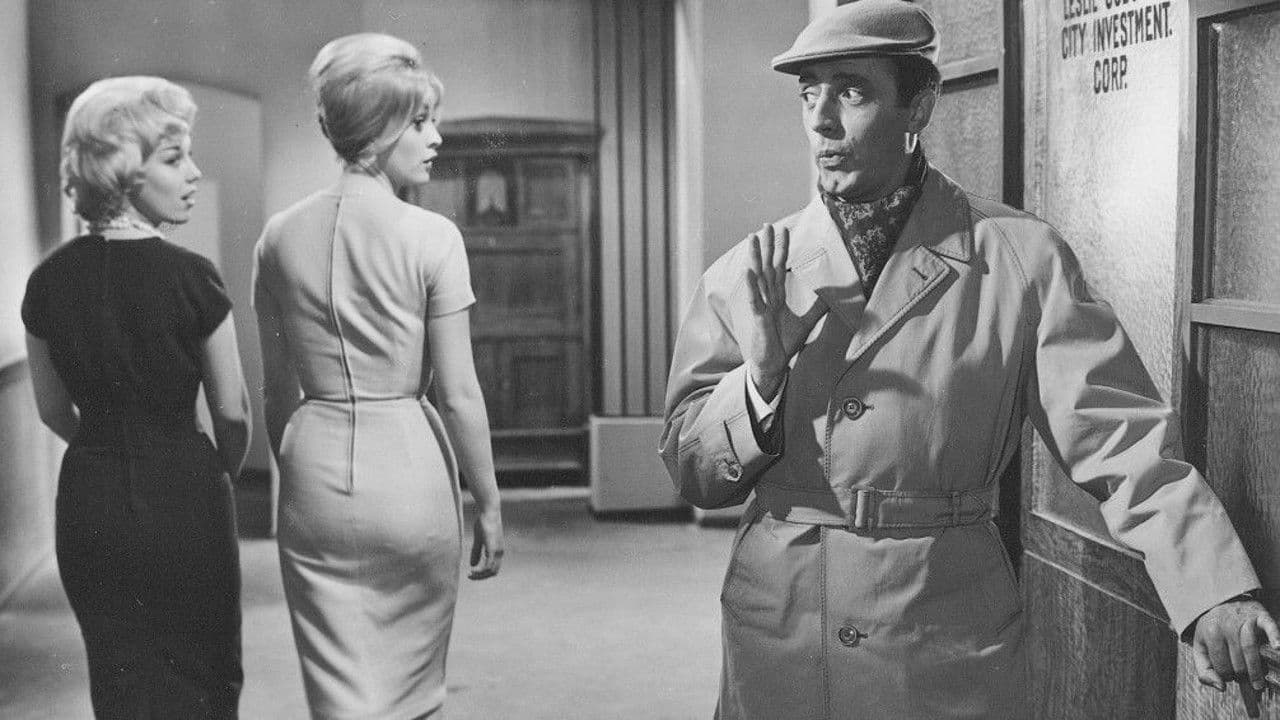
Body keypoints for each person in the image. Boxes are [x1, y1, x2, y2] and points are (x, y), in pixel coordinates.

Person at [660, 2, 1278, 718]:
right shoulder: (750, 273)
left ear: (918, 105)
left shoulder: (1020, 259)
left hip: (939, 631)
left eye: (851, 91)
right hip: (781, 635)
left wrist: (1213, 591)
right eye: (809, 94)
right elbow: (691, 470)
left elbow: (1123, 443)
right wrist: (760, 382)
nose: (822, 121)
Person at [253, 32, 504, 719]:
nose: (436, 137)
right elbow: (459, 394)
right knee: (410, 693)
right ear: (377, 128)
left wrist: (299, 473)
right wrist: (487, 502)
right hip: (409, 472)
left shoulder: (277, 236)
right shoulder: (432, 237)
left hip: (312, 470)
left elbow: (276, 391)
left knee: (338, 696)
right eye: (420, 122)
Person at [22, 76, 250, 719]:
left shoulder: (46, 281)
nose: (194, 173)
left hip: (89, 493)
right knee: (205, 675)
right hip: (185, 487)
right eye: (175, 159)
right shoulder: (194, 277)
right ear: (124, 171)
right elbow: (232, 413)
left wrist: (108, 449)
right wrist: (217, 471)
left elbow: (51, 411)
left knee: (120, 680)